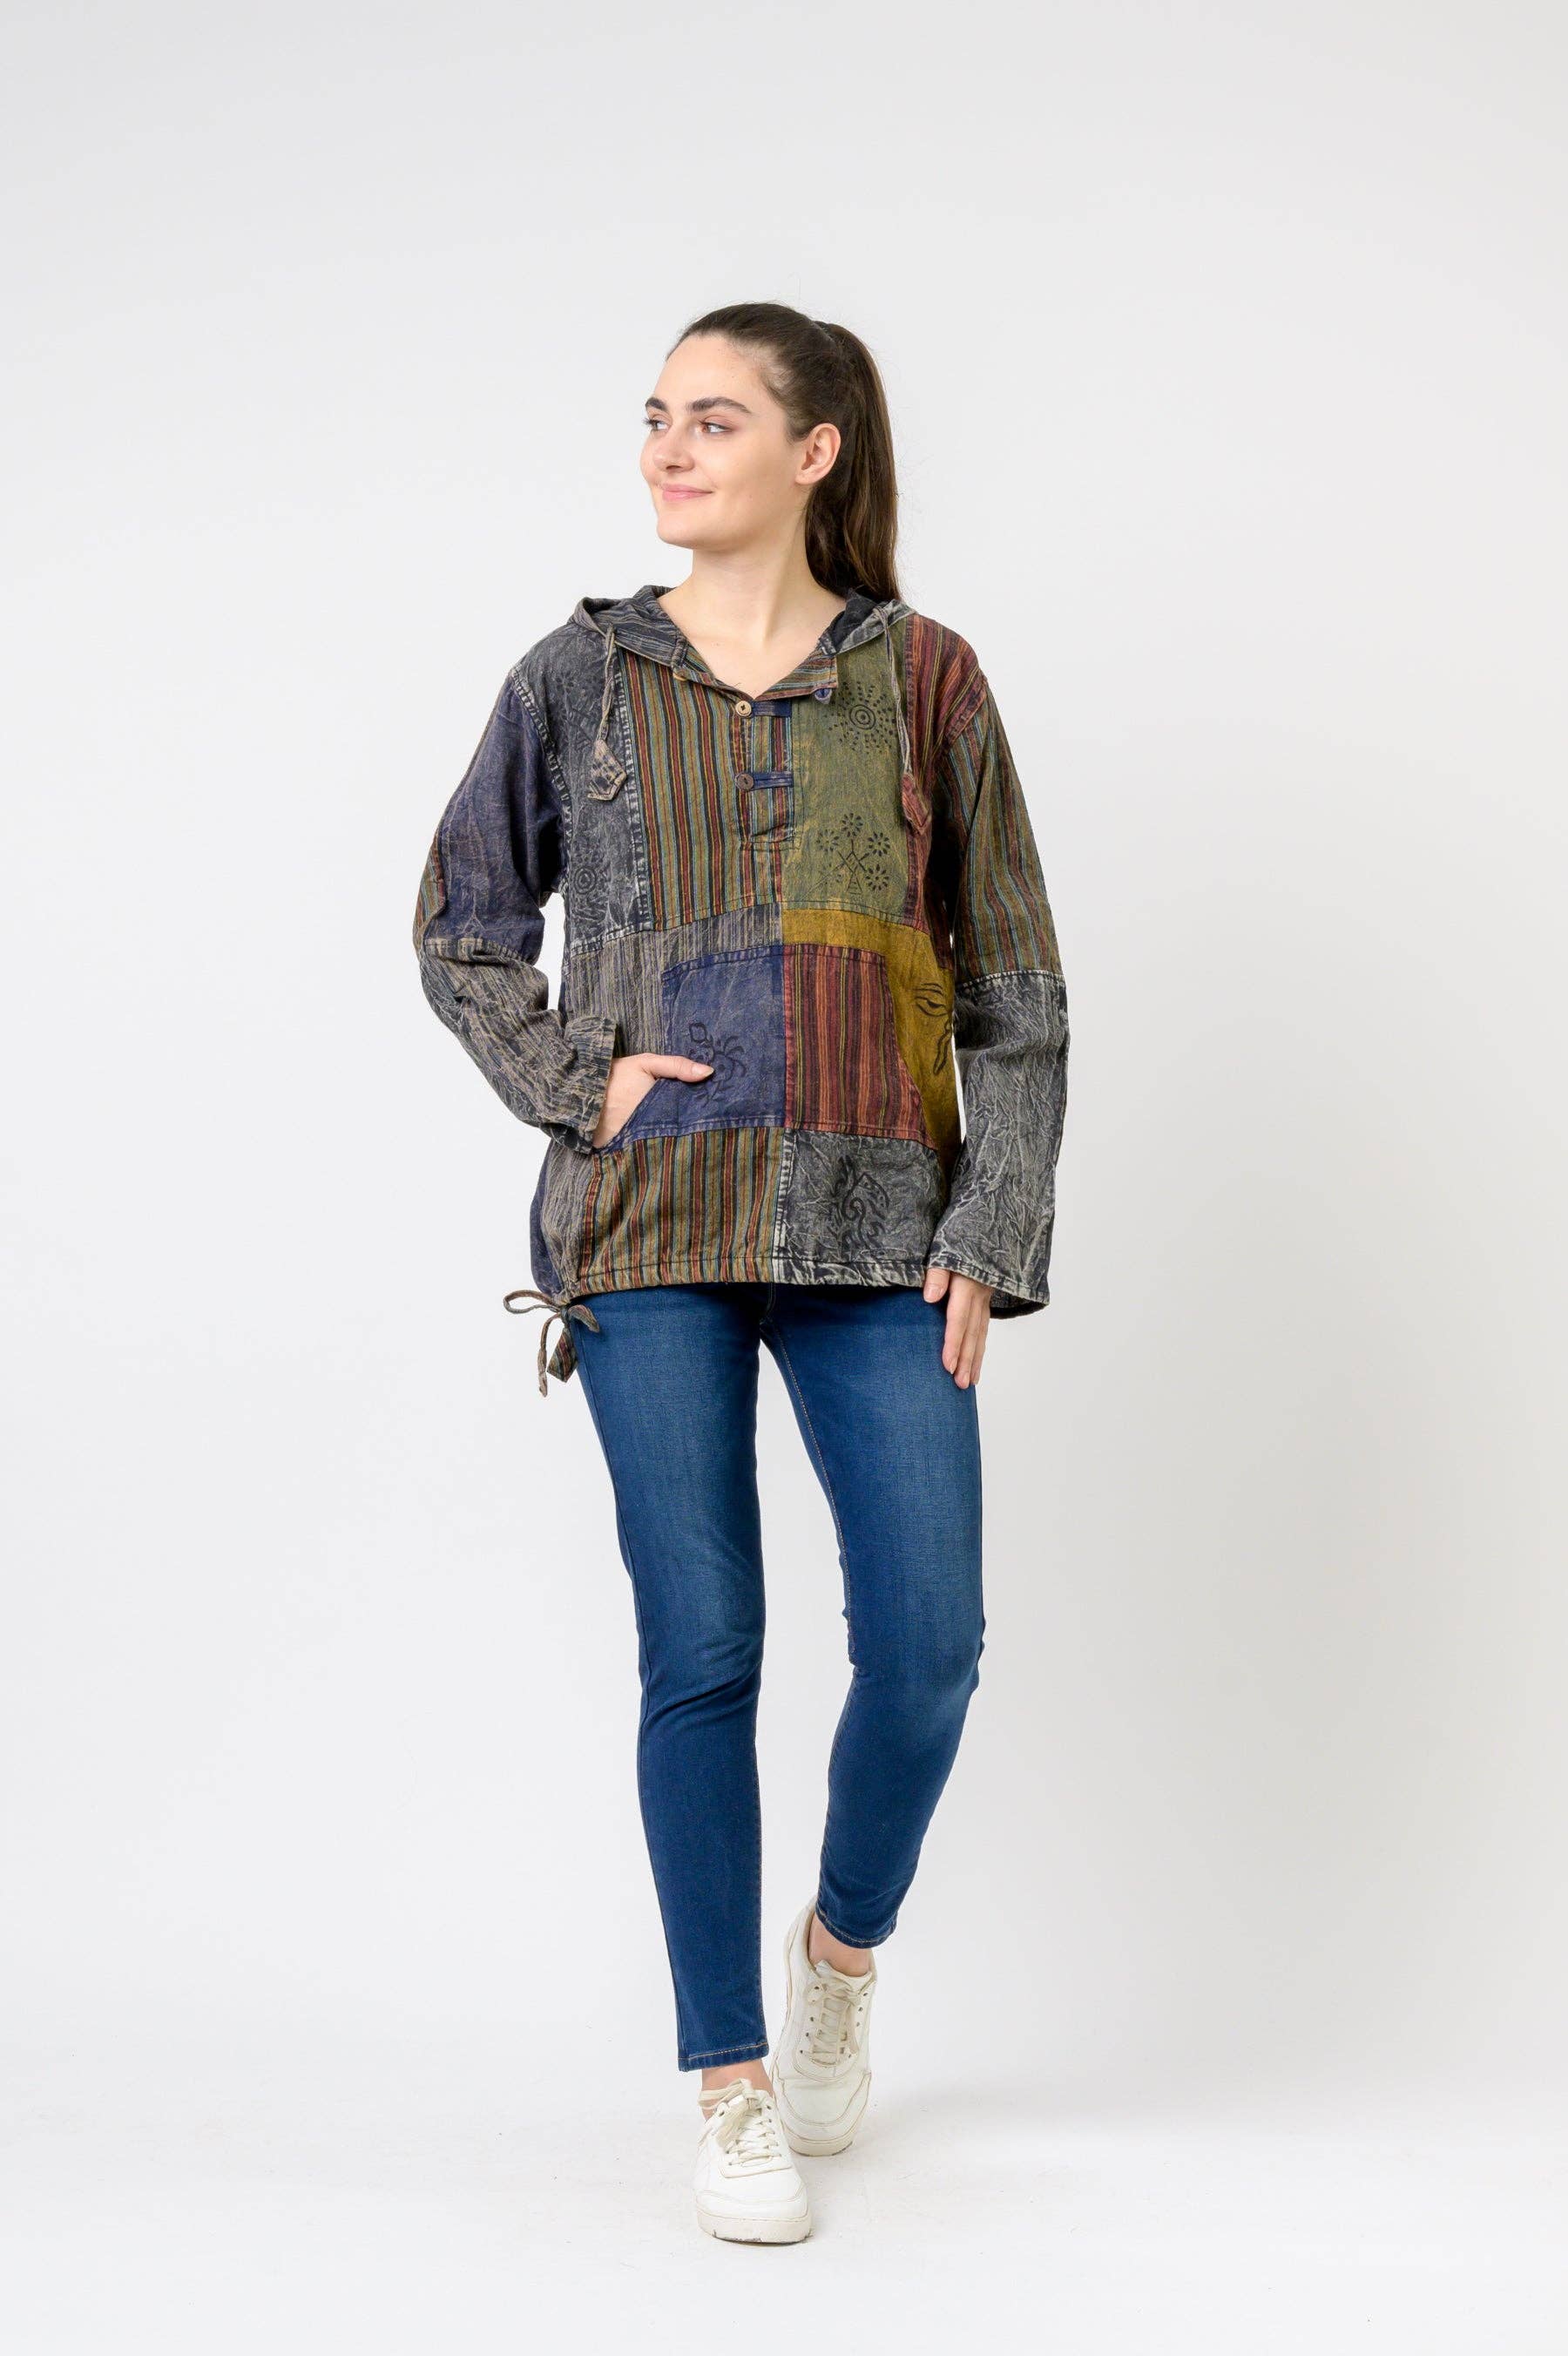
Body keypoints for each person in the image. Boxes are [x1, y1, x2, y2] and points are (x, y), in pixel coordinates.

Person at [412, 301, 1070, 2243]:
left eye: (713, 420)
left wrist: (993, 1230)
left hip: (884, 1233)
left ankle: (839, 1954)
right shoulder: (578, 676)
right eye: (656, 419)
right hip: (655, 1228)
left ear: (816, 449)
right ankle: (730, 2080)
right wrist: (579, 1081)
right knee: (702, 1651)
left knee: (930, 1648)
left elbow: (1017, 984)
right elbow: (462, 924)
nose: (668, 451)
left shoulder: (925, 678)